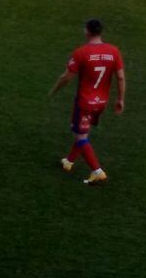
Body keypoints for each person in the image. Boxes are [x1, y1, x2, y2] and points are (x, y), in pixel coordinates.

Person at [48, 19, 126, 186]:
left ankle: (97, 171)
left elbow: (66, 77)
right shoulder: (114, 51)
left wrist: (55, 89)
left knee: (81, 135)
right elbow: (120, 77)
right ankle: (69, 161)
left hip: (85, 102)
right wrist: (120, 99)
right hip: (101, 102)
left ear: (87, 32)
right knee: (83, 131)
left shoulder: (82, 52)